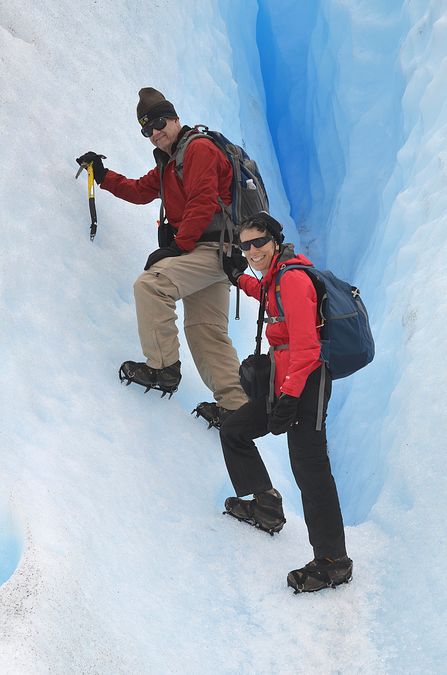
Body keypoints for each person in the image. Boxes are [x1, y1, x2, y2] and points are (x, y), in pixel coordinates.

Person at [76, 87, 247, 420]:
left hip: (211, 248)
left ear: (174, 118)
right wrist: (103, 174)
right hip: (214, 253)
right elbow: (140, 191)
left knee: (152, 285)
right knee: (205, 329)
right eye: (146, 129)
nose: (154, 133)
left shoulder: (196, 149)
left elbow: (203, 200)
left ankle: (162, 369)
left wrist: (177, 247)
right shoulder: (172, 162)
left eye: (159, 123)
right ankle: (236, 407)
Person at [220, 211, 353, 594]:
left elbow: (308, 347)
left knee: (310, 468)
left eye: (258, 242)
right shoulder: (276, 278)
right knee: (235, 429)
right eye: (245, 245)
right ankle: (265, 505)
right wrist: (237, 277)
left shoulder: (292, 279)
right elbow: (263, 292)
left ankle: (333, 561)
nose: (251, 250)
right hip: (286, 383)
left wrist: (290, 397)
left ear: (275, 241)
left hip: (305, 383)